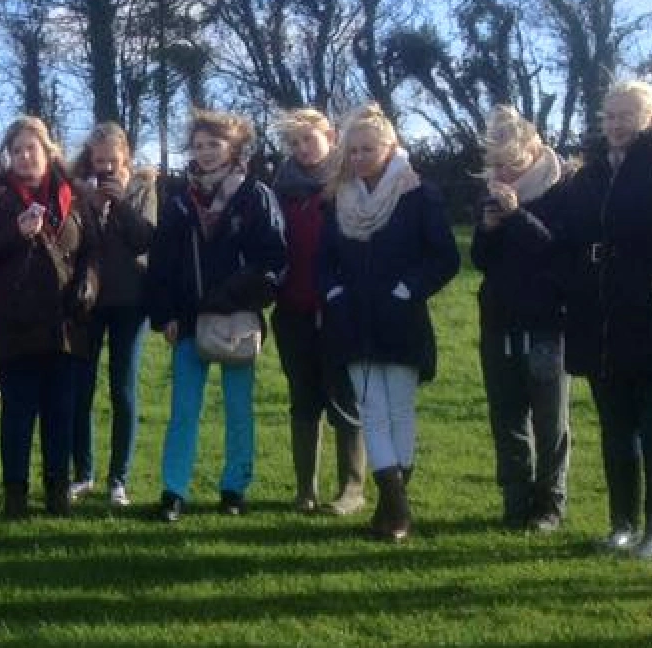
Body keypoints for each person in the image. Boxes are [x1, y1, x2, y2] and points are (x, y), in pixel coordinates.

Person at [550, 80, 652, 560]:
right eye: (610, 115)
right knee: (615, 427)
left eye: (627, 114)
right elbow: (568, 238)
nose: (616, 124)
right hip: (600, 318)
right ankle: (622, 525)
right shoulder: (590, 174)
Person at [318, 104, 460, 542]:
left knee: (400, 411)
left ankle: (390, 509)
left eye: (368, 148)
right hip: (353, 320)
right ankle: (398, 512)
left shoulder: (419, 194)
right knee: (371, 412)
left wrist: (406, 290)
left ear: (390, 148)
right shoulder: (337, 196)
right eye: (353, 149)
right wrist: (334, 292)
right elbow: (324, 259)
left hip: (400, 320)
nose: (359, 156)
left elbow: (445, 257)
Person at [145, 110, 286, 522]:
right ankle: (173, 492)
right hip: (187, 321)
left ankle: (234, 488)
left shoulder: (256, 195)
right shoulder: (178, 200)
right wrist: (164, 314)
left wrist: (234, 295)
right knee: (184, 410)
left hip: (237, 318)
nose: (205, 153)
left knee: (239, 408)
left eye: (215, 144)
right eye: (199, 145)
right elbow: (161, 265)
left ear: (234, 147)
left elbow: (274, 260)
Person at [0, 117, 98, 517]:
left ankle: (58, 492)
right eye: (17, 150)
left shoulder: (74, 193)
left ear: (48, 150)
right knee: (18, 414)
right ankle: (16, 494)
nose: (25, 157)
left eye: (31, 149)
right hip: (15, 325)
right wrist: (14, 234)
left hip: (66, 324)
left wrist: (89, 284)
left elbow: (92, 250)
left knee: (61, 412)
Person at [470, 106, 569, 531]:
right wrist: (488, 230)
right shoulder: (492, 196)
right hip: (499, 323)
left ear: (532, 151)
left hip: (546, 323)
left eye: (510, 164)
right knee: (506, 417)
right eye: (495, 166)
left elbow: (557, 252)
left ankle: (549, 506)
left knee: (550, 422)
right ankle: (515, 500)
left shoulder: (563, 191)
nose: (502, 174)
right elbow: (480, 261)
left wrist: (517, 216)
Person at [270, 109, 368, 517]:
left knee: (343, 397)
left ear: (330, 135)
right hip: (292, 309)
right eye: (294, 143)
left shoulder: (350, 183)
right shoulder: (279, 189)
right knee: (303, 399)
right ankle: (305, 489)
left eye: (308, 139)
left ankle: (352, 487)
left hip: (339, 310)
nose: (302, 150)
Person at [67, 123, 158, 508]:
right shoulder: (77, 190)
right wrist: (86, 202)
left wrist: (119, 203)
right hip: (88, 301)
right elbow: (73, 243)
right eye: (98, 160)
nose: (105, 168)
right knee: (80, 389)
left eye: (113, 161)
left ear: (127, 159)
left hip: (130, 302)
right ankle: (83, 474)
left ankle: (117, 478)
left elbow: (145, 239)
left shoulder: (142, 187)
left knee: (123, 389)